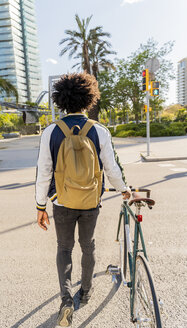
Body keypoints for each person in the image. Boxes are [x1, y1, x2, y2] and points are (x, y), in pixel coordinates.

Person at [35, 72, 130, 327]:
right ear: (89, 99)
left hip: (61, 201)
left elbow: (43, 172)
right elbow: (111, 168)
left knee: (64, 249)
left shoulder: (51, 132)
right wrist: (124, 189)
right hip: (90, 201)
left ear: (61, 101)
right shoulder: (99, 130)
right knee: (88, 246)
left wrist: (40, 206)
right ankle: (85, 292)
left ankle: (66, 300)